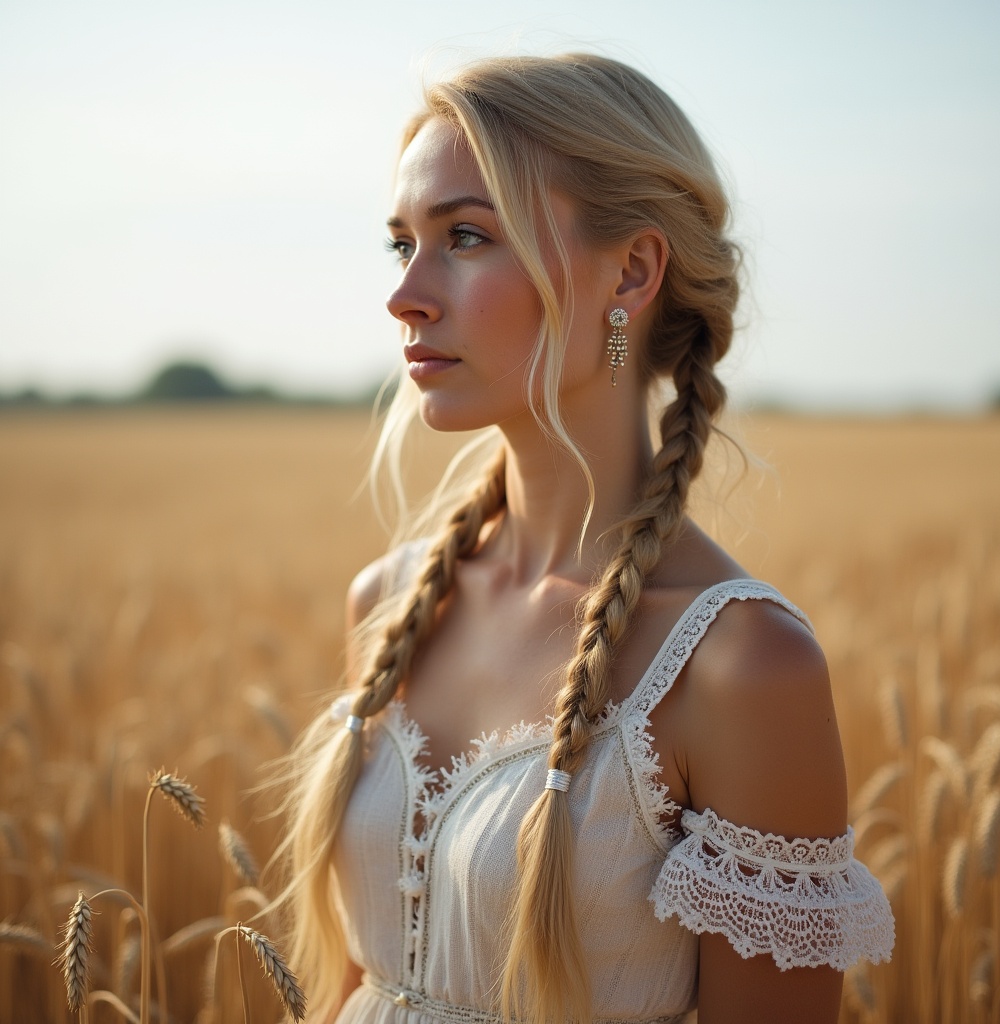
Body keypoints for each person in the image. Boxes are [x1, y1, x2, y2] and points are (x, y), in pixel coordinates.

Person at [273, 52, 895, 1024]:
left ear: (632, 272)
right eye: (402, 245)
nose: (406, 295)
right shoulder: (390, 601)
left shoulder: (739, 663)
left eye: (466, 236)